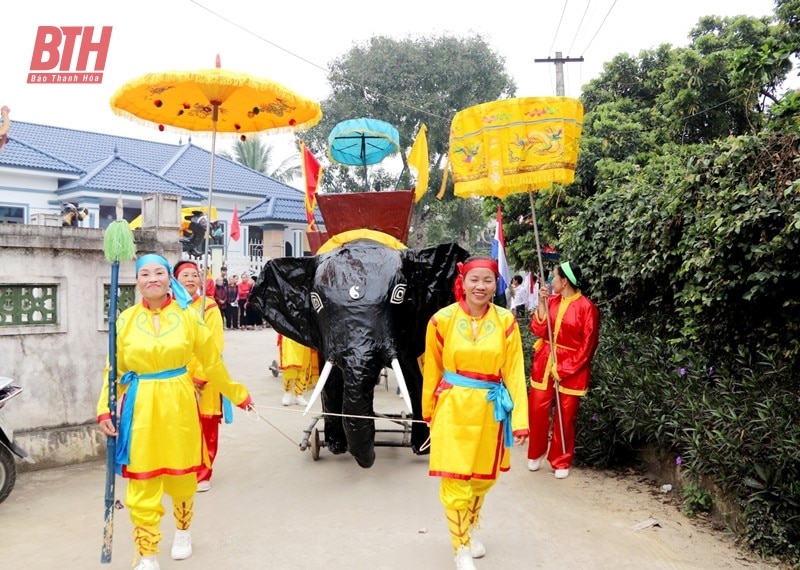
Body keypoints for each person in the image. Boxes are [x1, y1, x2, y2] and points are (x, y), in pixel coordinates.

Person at [96, 254, 254, 570]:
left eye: (158, 272)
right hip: (140, 406)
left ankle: (183, 531)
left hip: (180, 403)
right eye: (144, 273)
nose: (152, 278)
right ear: (137, 281)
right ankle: (148, 551)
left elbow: (211, 361)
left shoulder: (189, 317)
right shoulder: (124, 320)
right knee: (143, 482)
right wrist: (104, 409)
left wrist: (235, 393)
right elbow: (114, 371)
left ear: (169, 279)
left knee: (182, 479)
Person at [422, 256, 529, 570]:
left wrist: (520, 420)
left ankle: (466, 531)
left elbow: (513, 371)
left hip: (489, 410)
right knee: (457, 479)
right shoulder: (441, 321)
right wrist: (429, 412)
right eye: (474, 279)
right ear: (463, 281)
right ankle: (461, 547)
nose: (481, 286)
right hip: (452, 408)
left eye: (488, 280)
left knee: (483, 479)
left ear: (495, 284)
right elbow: (432, 371)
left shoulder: (506, 321)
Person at [527, 261, 600, 480]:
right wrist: (541, 303)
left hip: (573, 367)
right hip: (545, 362)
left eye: (554, 277)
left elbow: (588, 347)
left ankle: (561, 459)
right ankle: (536, 451)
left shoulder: (587, 308)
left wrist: (566, 368)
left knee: (565, 416)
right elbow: (538, 329)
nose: (551, 281)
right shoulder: (551, 301)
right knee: (537, 409)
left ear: (564, 281)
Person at [173, 260, 230, 493]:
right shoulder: (169, 308)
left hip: (204, 377)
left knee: (206, 427)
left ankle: (203, 473)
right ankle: (181, 469)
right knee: (179, 426)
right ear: (175, 280)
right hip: (174, 377)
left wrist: (199, 376)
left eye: (194, 275)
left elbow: (214, 345)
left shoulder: (209, 307)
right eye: (184, 275)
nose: (190, 279)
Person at [277, 334, 319, 406]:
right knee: (289, 367)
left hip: (303, 336)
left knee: (304, 367)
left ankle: (299, 394)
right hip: (288, 335)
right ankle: (288, 392)